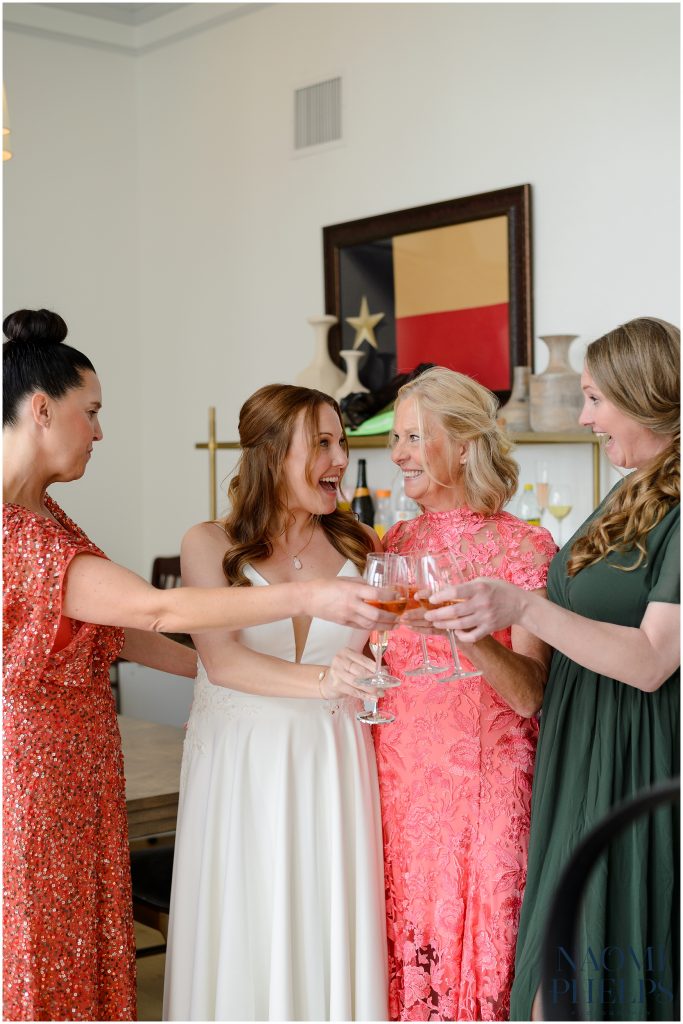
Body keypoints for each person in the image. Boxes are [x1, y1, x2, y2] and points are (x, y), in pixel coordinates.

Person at [2, 310, 393, 1023]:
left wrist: (214, 671)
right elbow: (153, 610)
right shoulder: (14, 528)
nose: (99, 430)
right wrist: (297, 607)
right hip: (31, 776)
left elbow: (110, 633)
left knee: (79, 943)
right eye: (91, 412)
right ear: (40, 409)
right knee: (36, 948)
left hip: (84, 765)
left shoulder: (51, 517)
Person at [426, 318, 680, 1022]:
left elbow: (654, 659)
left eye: (595, 399)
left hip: (634, 757)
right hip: (577, 753)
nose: (583, 416)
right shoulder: (629, 492)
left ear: (641, 398)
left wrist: (524, 607)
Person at [163, 383, 390, 1022]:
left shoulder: (364, 547)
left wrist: (383, 658)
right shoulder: (209, 544)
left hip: (331, 763)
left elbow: (380, 656)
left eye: (341, 441)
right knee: (246, 917)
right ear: (269, 454)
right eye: (321, 443)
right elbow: (223, 661)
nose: (340, 458)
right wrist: (324, 684)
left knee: (325, 915)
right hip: (241, 771)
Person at [373, 366, 557, 1021]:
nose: (397, 454)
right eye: (396, 439)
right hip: (397, 787)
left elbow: (530, 697)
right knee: (404, 939)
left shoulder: (525, 548)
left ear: (462, 444)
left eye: (414, 437)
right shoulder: (394, 543)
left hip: (482, 790)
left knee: (479, 946)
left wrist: (464, 634)